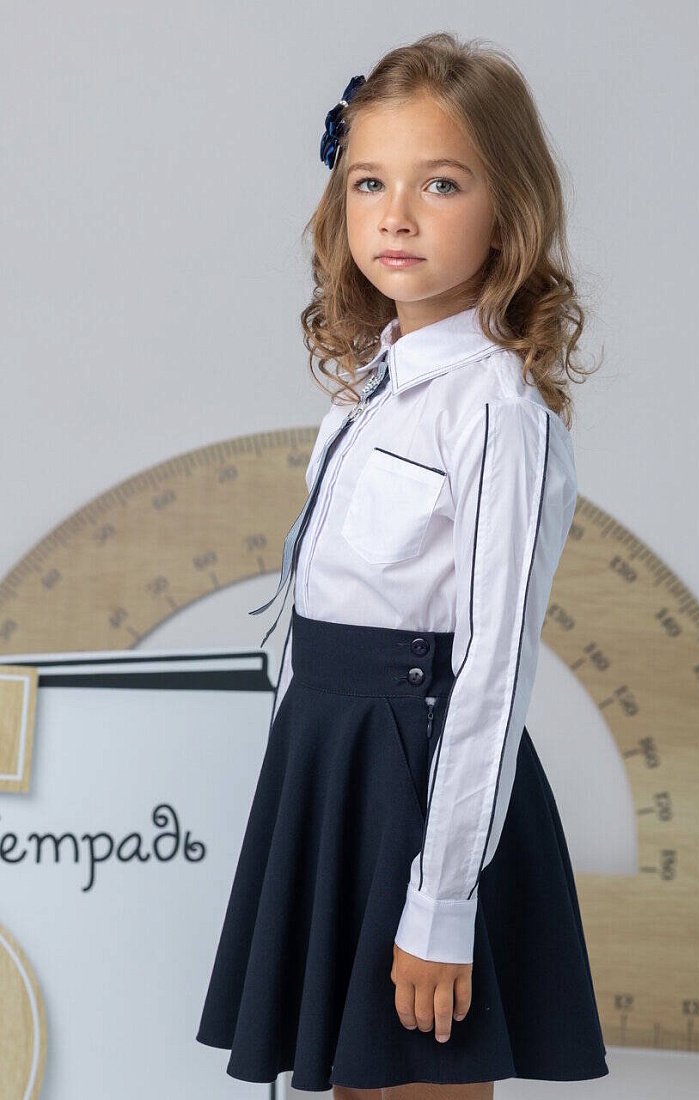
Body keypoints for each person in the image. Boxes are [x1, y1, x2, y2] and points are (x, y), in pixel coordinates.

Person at [196, 30, 608, 1095]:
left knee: (418, 1076)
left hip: (420, 790)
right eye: (369, 181)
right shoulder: (368, 392)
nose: (396, 214)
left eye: (441, 183)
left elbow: (492, 671)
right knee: (352, 1079)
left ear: (508, 210)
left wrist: (442, 900)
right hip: (330, 768)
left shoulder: (497, 413)